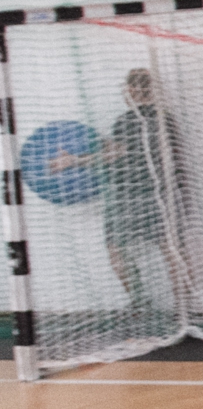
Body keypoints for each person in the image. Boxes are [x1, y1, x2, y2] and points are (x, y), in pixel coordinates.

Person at [54, 69, 185, 308]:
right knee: (169, 246)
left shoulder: (128, 119)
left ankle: (139, 301)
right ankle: (183, 308)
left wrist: (73, 160)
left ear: (133, 90)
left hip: (132, 194)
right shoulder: (165, 118)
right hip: (164, 192)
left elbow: (119, 153)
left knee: (116, 248)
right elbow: (135, 149)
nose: (125, 93)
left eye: (126, 89)